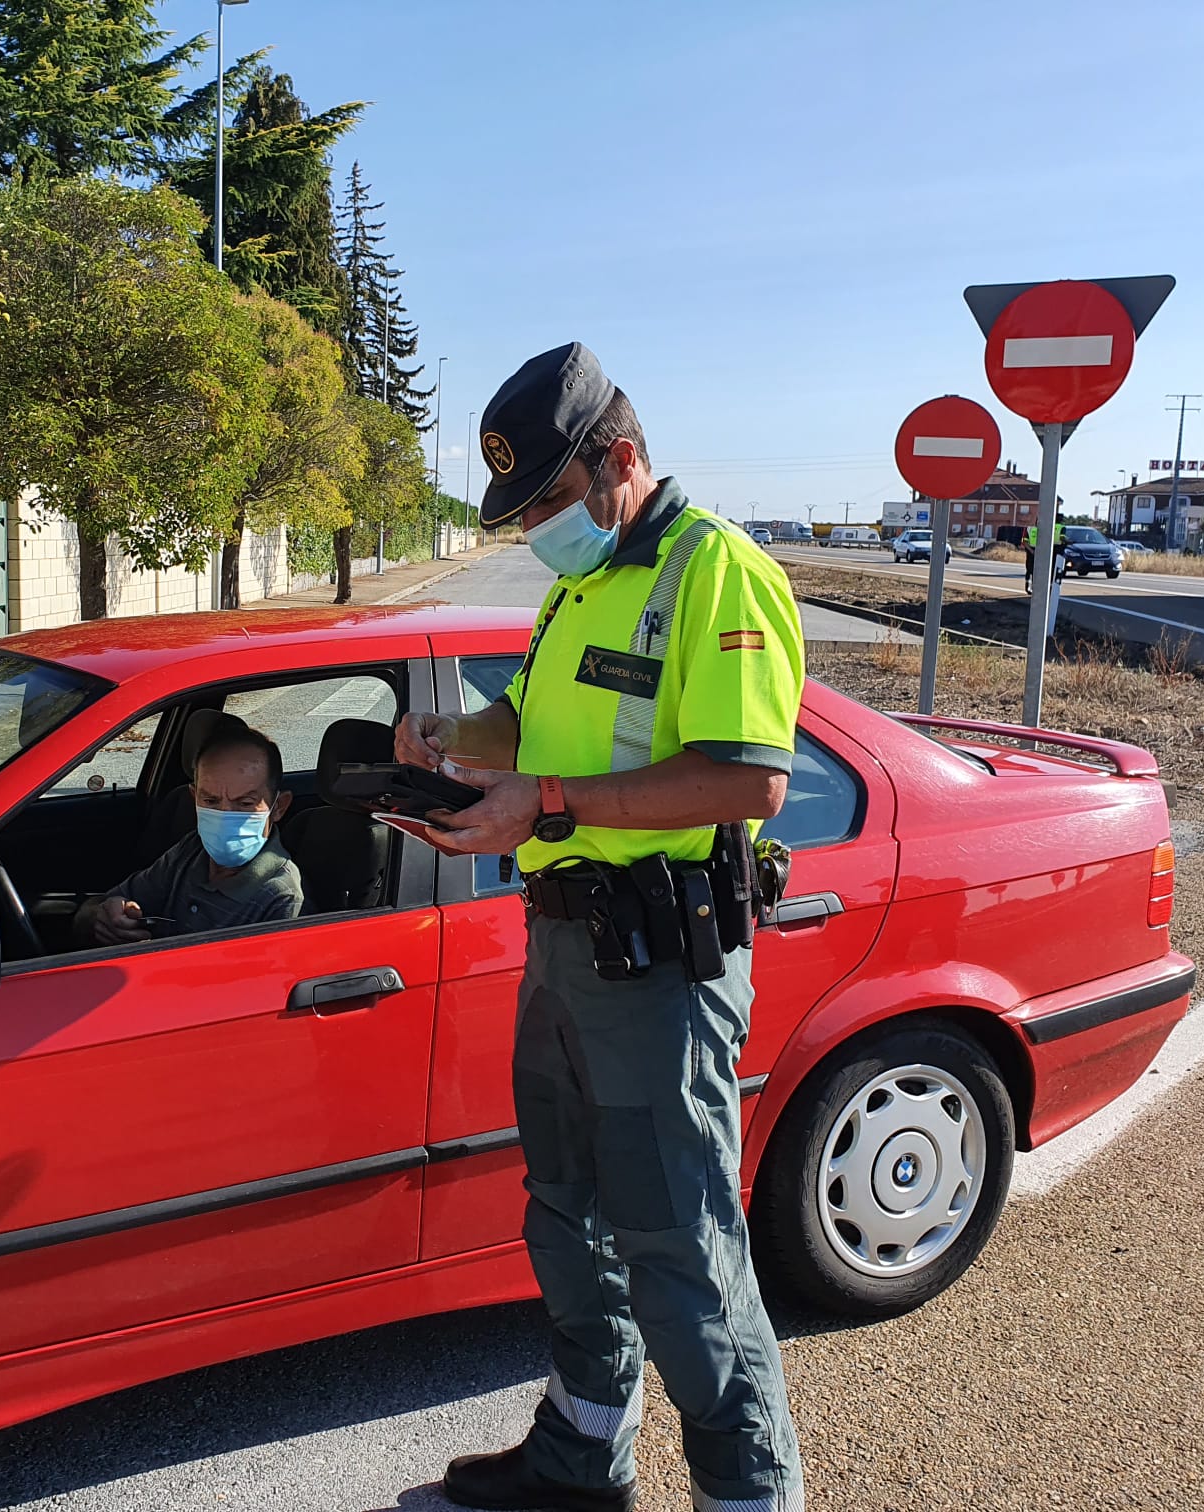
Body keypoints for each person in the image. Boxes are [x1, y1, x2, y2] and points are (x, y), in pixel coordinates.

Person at [398, 343, 806, 1512]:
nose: (535, 530)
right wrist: (445, 744)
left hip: (662, 971)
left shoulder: (712, 570)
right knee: (566, 1216)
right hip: (565, 953)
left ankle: (749, 1494)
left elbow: (746, 779)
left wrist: (551, 805)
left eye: (547, 503)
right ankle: (582, 1459)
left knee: (682, 1251)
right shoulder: (585, 583)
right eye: (520, 513)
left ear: (620, 457)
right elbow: (529, 726)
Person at [77, 725, 303, 946]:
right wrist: (104, 918)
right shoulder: (191, 851)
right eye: (210, 801)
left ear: (279, 807)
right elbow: (101, 905)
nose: (224, 815)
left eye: (245, 803)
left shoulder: (281, 896)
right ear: (194, 797)